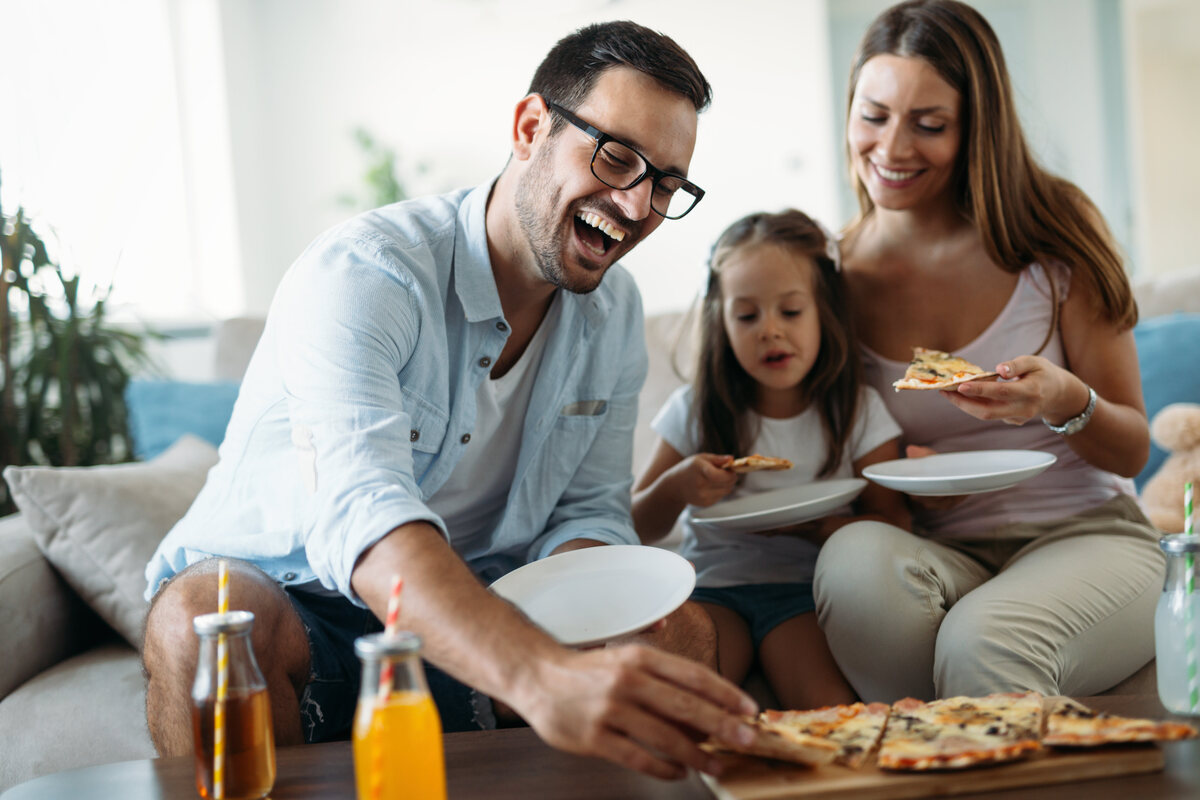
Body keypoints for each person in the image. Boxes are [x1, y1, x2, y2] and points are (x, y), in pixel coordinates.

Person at [141, 20, 760, 781]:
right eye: (617, 158)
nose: (637, 208)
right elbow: (364, 515)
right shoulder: (367, 272)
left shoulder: (616, 310)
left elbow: (590, 511)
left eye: (665, 184)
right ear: (531, 127)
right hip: (304, 603)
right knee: (200, 621)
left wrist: (601, 607)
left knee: (680, 634)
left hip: (490, 600)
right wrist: (539, 675)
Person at [814, 0, 1164, 703]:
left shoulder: (1052, 235)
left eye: (929, 124)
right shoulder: (827, 276)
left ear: (978, 128)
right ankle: (938, 757)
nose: (891, 149)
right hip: (942, 550)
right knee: (850, 562)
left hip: (1088, 536)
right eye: (873, 115)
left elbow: (1130, 452)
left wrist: (1064, 399)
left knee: (987, 638)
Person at [632, 209, 911, 709]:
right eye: (747, 315)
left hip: (802, 596)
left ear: (824, 311)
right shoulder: (695, 410)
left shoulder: (857, 410)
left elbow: (893, 520)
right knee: (683, 703)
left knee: (831, 713)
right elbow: (638, 527)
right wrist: (676, 488)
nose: (769, 331)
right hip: (710, 588)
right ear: (722, 321)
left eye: (790, 311)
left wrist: (820, 528)